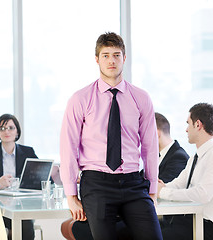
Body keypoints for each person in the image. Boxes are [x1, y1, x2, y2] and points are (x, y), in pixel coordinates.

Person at [60, 32, 162, 240]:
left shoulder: (141, 98)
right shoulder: (80, 99)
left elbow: (150, 147)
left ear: (124, 58)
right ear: (96, 59)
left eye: (116, 55)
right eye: (105, 55)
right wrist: (71, 195)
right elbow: (68, 147)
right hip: (97, 183)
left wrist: (152, 189)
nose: (111, 60)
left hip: (134, 182)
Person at [61, 112, 189, 239]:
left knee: (81, 228)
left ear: (155, 132)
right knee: (78, 224)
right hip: (138, 209)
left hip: (161, 218)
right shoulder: (158, 157)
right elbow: (141, 182)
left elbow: (159, 188)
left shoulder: (178, 157)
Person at [158, 103, 213, 240]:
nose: (186, 130)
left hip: (206, 226)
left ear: (198, 125)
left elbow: (203, 194)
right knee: (144, 229)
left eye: (188, 124)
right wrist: (162, 186)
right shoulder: (196, 156)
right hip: (189, 221)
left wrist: (163, 192)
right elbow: (180, 183)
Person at [0, 113, 37, 239]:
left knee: (25, 225)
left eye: (11, 128)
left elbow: (39, 176)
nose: (6, 131)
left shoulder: (28, 152)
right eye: (2, 128)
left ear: (17, 132)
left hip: (22, 204)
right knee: (11, 227)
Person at [156, 112, 189, 183]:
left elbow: (161, 190)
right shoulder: (156, 156)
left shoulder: (179, 158)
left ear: (157, 133)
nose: (141, 139)